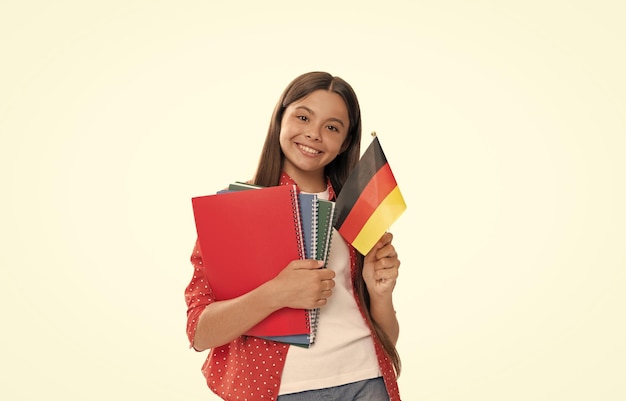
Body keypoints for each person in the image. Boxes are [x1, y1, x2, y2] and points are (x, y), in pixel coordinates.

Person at [185, 71, 402, 401]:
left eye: (332, 127)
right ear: (280, 118)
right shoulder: (236, 210)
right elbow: (200, 332)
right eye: (303, 117)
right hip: (282, 391)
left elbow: (388, 336)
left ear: (344, 142)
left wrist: (380, 292)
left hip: (367, 380)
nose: (314, 134)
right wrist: (277, 293)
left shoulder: (357, 211)